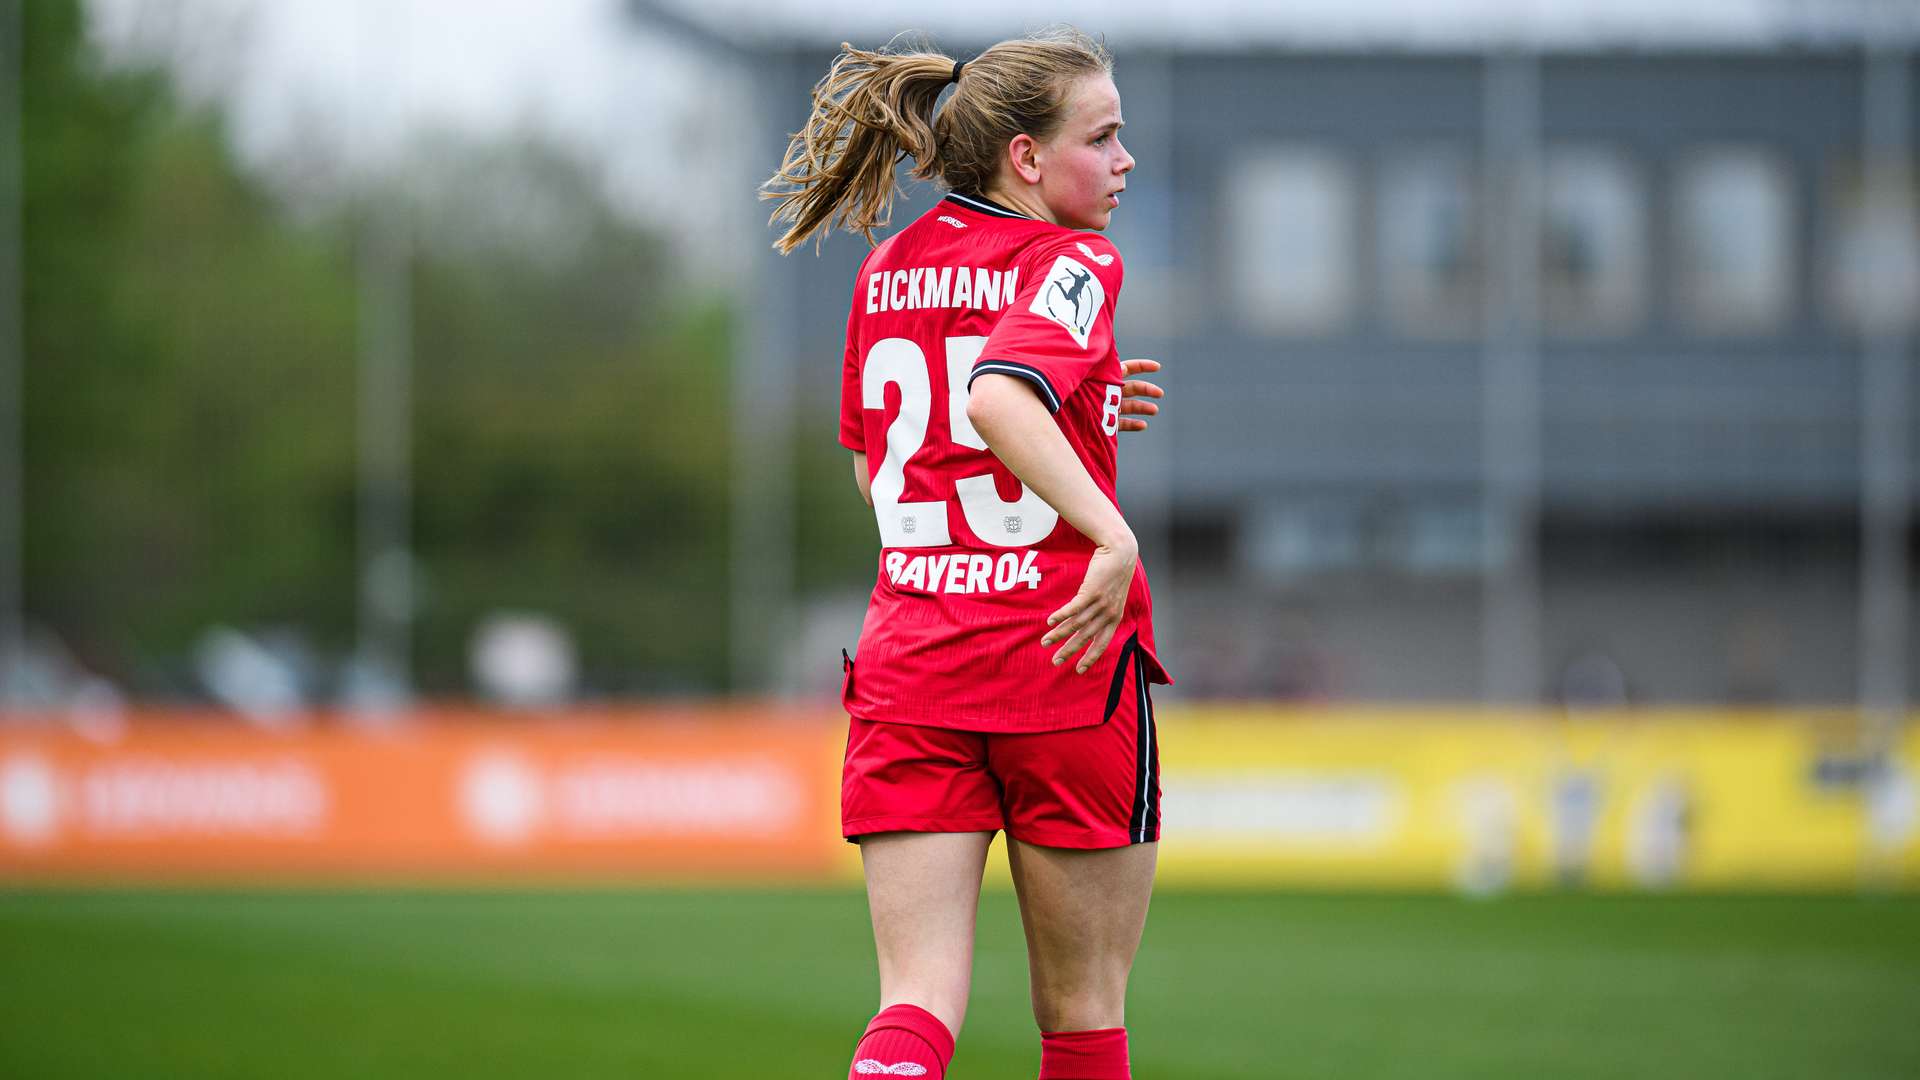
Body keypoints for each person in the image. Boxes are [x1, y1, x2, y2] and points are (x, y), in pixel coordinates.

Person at [763, 28, 1172, 1080]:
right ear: (1025, 159)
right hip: (1063, 666)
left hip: (913, 668)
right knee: (1082, 1016)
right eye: (1105, 136)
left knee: (913, 1004)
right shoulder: (1078, 257)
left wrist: (1078, 418)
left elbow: (883, 478)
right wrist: (1112, 532)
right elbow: (996, 396)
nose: (1126, 161)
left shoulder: (889, 267)